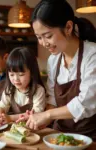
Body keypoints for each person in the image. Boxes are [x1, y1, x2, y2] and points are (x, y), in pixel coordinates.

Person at [22, 0, 96, 140]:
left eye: (48, 36)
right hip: (58, 136)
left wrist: (47, 115)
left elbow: (85, 103)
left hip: (89, 137)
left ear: (68, 27)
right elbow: (53, 100)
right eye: (39, 37)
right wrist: (39, 119)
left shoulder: (92, 55)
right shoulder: (53, 60)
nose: (44, 43)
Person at [0, 47, 46, 124]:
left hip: (35, 127)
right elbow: (2, 105)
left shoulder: (38, 90)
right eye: (11, 74)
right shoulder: (10, 89)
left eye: (21, 74)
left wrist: (10, 118)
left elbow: (37, 113)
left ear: (32, 73)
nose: (16, 79)